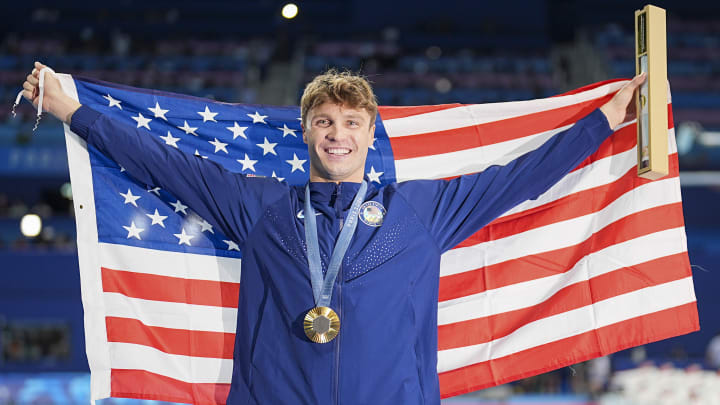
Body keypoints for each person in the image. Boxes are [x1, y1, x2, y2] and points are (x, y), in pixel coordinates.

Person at [22, 61, 645, 404]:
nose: (337, 134)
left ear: (371, 133)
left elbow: (521, 177)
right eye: (324, 121)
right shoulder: (260, 208)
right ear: (307, 132)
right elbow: (164, 164)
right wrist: (71, 110)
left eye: (351, 121)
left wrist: (605, 120)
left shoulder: (420, 211)